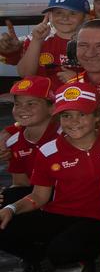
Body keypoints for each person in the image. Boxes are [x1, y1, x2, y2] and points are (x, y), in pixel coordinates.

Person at [0, 82, 100, 272]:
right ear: (58, 117)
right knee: (3, 224)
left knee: (62, 250)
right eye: (66, 116)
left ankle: (94, 251)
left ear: (97, 116)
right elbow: (38, 196)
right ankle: (40, 261)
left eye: (81, 114)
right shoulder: (48, 150)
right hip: (61, 214)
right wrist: (10, 209)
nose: (73, 122)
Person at [1, 0, 90, 82]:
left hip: (78, 93)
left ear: (86, 17)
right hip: (40, 93)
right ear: (49, 15)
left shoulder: (92, 41)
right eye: (58, 13)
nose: (65, 18)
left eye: (72, 13)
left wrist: (79, 78)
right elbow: (25, 74)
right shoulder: (37, 37)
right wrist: (37, 40)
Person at [1, 77, 57, 207]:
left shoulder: (66, 136)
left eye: (31, 104)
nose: (22, 109)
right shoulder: (14, 141)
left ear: (52, 108)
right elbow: (20, 184)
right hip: (35, 198)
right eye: (17, 104)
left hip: (66, 197)